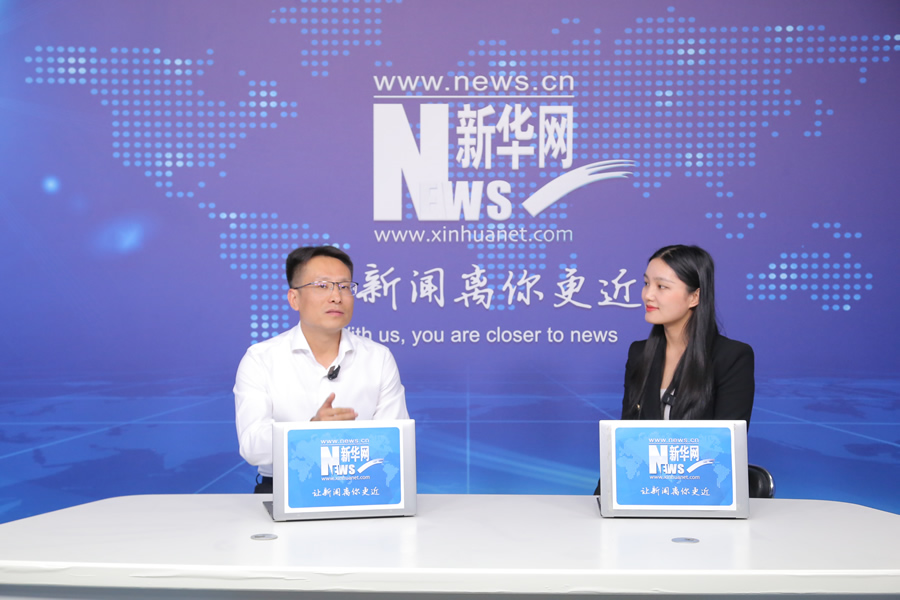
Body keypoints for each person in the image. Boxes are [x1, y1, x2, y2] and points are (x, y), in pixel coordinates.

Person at [234, 245, 409, 493]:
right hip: (285, 490)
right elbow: (252, 447)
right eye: (322, 286)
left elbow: (395, 442)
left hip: (362, 487)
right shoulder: (261, 359)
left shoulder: (378, 358)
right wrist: (310, 432)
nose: (336, 296)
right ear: (294, 299)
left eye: (344, 286)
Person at [593, 244, 754, 495]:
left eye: (662, 286)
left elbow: (722, 447)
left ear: (694, 297)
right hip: (643, 492)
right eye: (646, 283)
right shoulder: (639, 353)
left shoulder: (732, 357)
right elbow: (627, 438)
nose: (648, 295)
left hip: (701, 494)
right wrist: (605, 498)